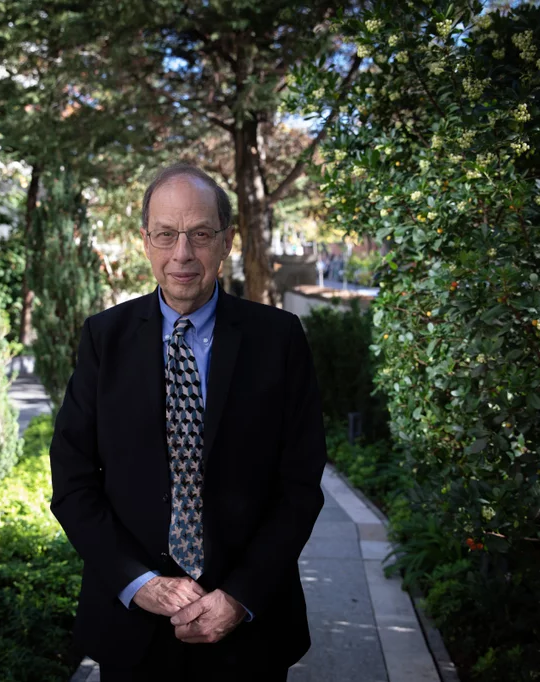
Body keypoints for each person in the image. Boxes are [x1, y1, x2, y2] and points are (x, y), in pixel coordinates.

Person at [49, 163, 327, 681]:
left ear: (226, 242)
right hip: (131, 630)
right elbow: (72, 482)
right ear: (145, 241)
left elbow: (299, 486)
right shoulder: (102, 340)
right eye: (166, 234)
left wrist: (241, 596)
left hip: (249, 630)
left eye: (200, 234)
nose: (182, 254)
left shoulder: (279, 340)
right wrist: (140, 583)